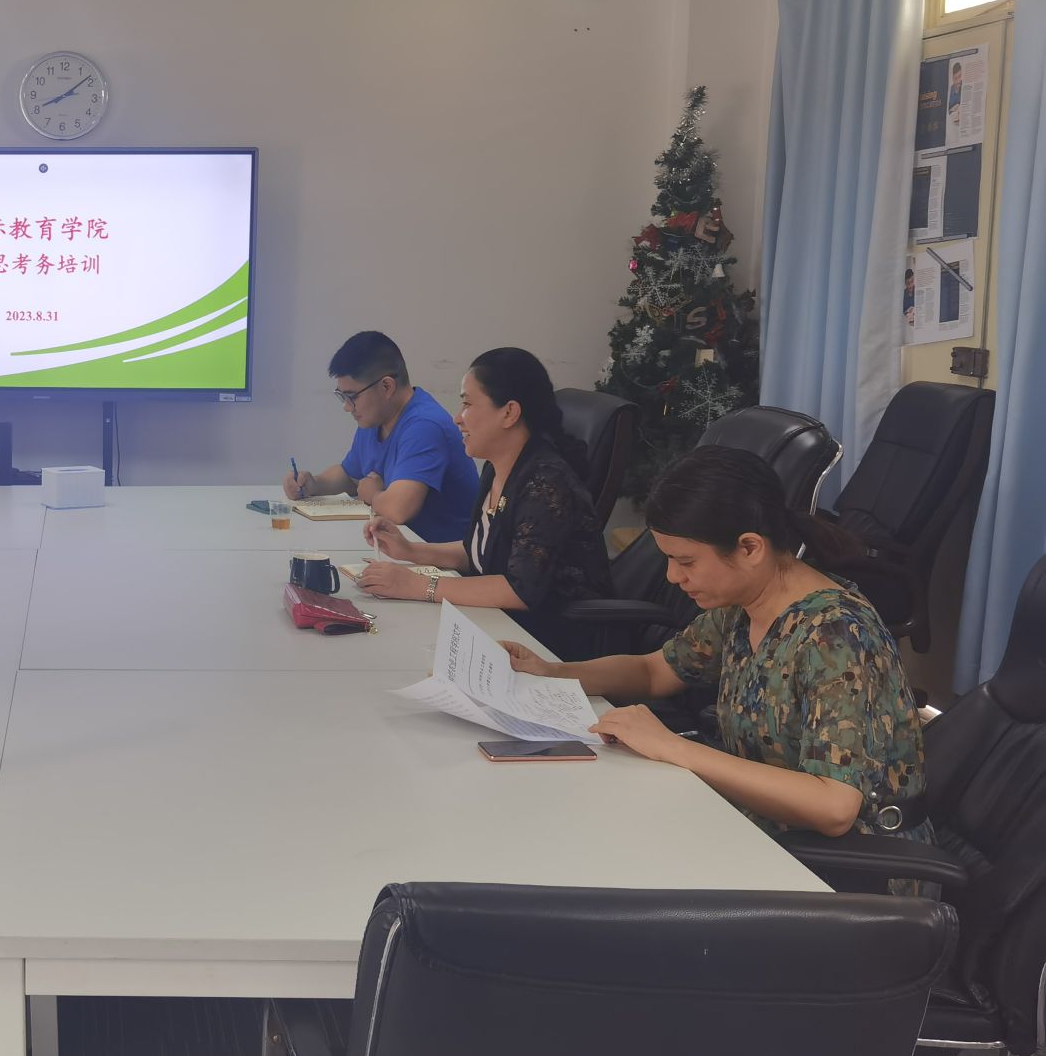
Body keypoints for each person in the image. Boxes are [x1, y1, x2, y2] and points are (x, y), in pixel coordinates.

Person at [506, 444, 927, 842]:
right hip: (761, 829)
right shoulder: (744, 606)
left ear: (750, 548)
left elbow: (833, 807)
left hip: (848, 866)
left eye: (686, 561)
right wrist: (553, 672)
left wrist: (673, 747)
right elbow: (655, 671)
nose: (673, 576)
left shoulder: (836, 636)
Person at [358, 346, 611, 658]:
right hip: (498, 625)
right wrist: (411, 551)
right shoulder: (496, 467)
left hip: (549, 644)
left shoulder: (546, 483)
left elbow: (520, 589)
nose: (458, 418)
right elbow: (479, 551)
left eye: (467, 404)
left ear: (509, 412)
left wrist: (417, 585)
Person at [282, 330, 478, 543]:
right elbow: (351, 475)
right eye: (342, 396)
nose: (347, 407)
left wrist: (373, 495)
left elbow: (398, 510)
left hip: (444, 557)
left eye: (352, 397)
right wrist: (314, 484)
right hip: (404, 548)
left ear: (386, 387)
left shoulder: (425, 426)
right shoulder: (375, 418)